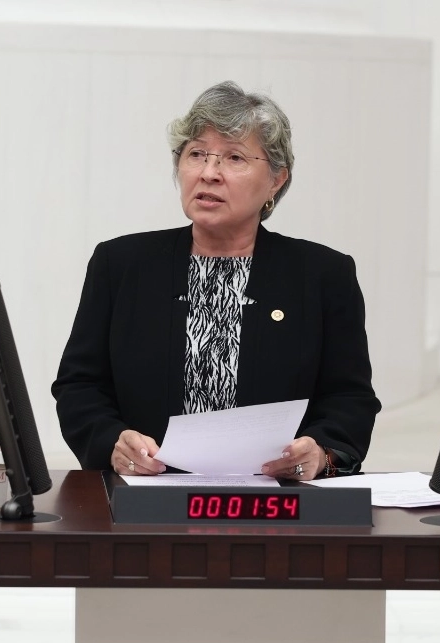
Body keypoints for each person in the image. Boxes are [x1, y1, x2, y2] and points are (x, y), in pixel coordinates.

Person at [52, 81, 380, 481]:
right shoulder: (120, 264)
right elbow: (80, 386)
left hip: (276, 498)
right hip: (146, 493)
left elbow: (350, 398)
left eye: (234, 158)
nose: (209, 173)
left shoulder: (324, 275)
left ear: (276, 180)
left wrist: (320, 451)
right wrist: (112, 442)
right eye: (196, 155)